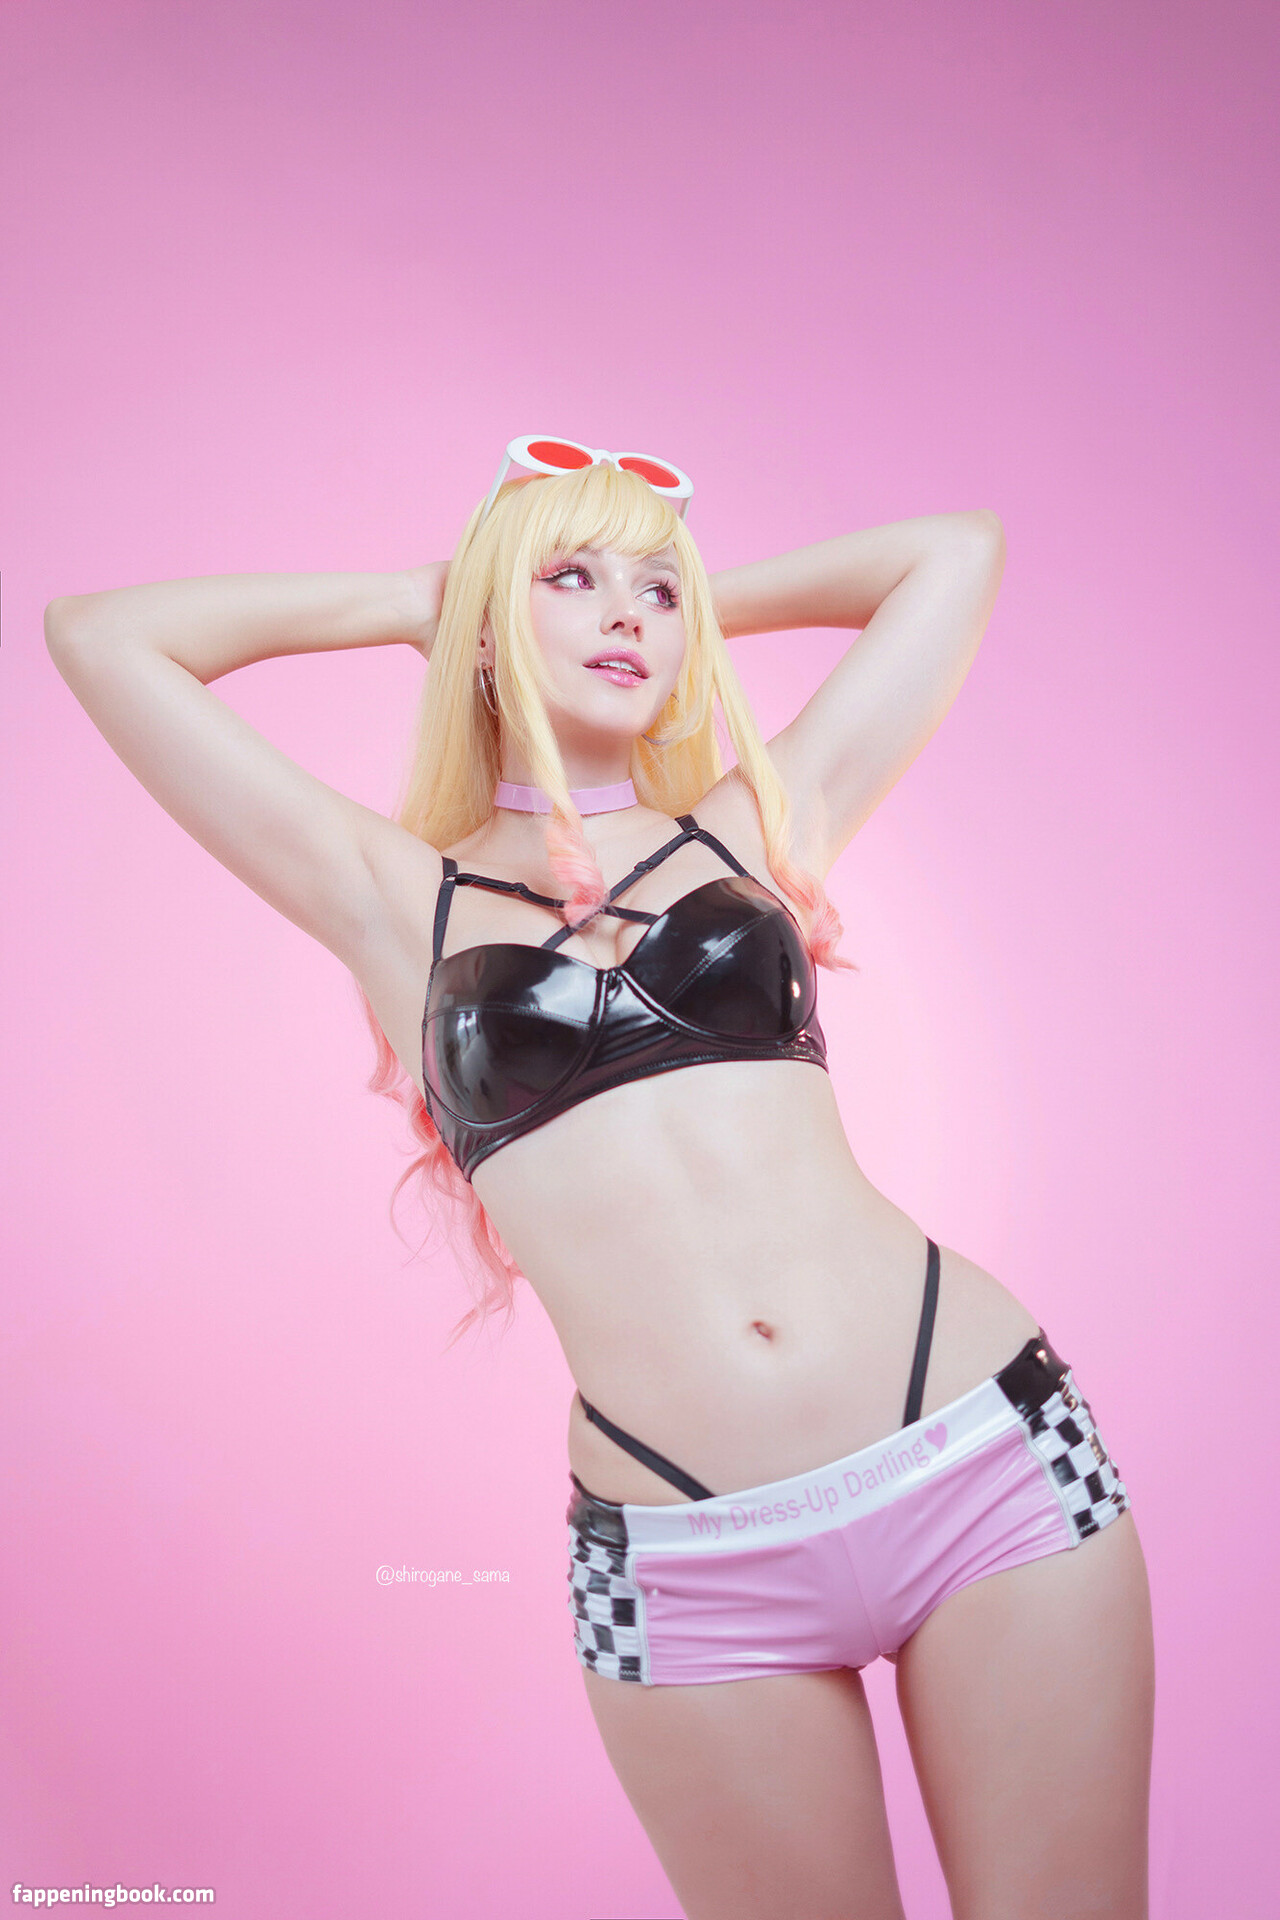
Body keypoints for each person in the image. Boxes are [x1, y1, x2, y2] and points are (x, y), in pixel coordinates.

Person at [45, 440, 1155, 1920]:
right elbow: (103, 638)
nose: (628, 612)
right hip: (689, 1562)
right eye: (573, 578)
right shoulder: (393, 897)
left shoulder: (756, 822)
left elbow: (951, 554)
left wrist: (678, 608)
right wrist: (442, 600)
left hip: (981, 1456)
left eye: (657, 589)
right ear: (493, 620)